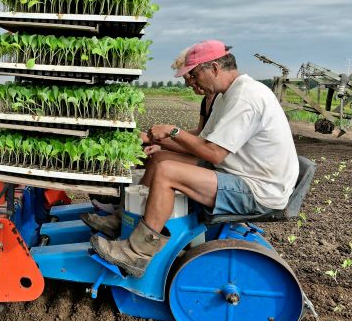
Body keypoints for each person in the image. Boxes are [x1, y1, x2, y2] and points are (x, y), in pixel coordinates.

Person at [92, 40, 299, 277]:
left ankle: (136, 253)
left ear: (213, 68)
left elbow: (213, 152)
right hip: (239, 174)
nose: (193, 82)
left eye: (194, 75)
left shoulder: (245, 98)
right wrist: (156, 141)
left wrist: (173, 132)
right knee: (161, 160)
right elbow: (201, 142)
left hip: (257, 188)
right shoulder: (225, 96)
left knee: (167, 172)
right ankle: (124, 221)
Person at [83, 46, 220, 238]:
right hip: (204, 153)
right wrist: (162, 139)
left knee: (162, 162)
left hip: (212, 161)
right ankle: (125, 215)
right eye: (188, 81)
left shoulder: (218, 97)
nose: (192, 85)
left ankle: (136, 228)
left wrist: (163, 138)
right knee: (156, 156)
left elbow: (203, 144)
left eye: (192, 78)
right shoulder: (208, 99)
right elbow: (200, 132)